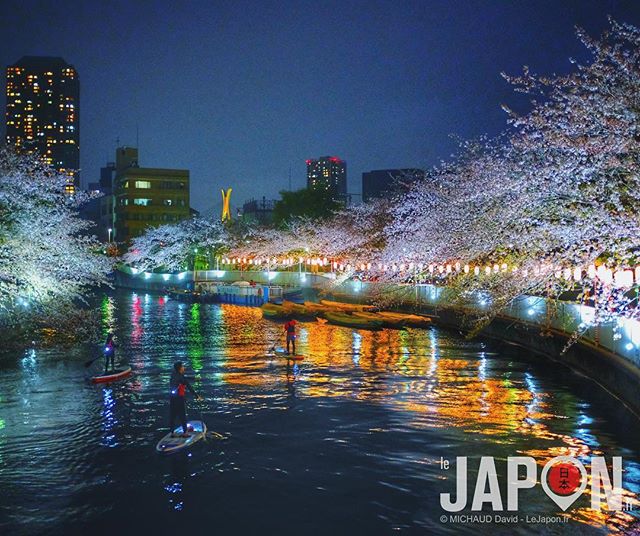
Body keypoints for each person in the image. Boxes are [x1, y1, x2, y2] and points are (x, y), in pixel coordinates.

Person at [169, 361, 203, 437]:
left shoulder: (173, 375)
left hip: (172, 399)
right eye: (183, 366)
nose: (184, 367)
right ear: (180, 368)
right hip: (179, 399)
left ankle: (172, 432)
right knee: (182, 415)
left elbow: (184, 378)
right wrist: (197, 396)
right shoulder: (181, 378)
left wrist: (194, 378)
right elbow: (189, 387)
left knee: (173, 416)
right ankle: (185, 433)